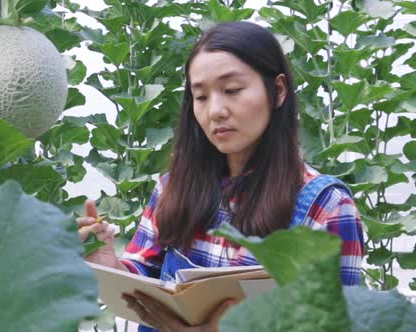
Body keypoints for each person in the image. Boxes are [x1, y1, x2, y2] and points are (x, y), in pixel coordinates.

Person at [77, 21, 364, 332]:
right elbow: (142, 275)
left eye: (232, 90)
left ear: (278, 91)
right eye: (200, 97)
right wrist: (109, 266)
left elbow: (336, 324)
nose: (215, 110)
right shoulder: (172, 188)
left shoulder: (327, 208)